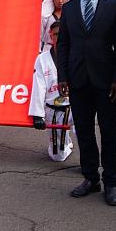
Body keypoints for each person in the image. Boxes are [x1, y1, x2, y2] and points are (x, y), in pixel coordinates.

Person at [57, 0, 116, 206]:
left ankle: (111, 182)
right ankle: (90, 178)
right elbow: (63, 44)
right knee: (84, 133)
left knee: (109, 133)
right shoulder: (70, 8)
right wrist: (62, 76)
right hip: (77, 81)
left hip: (107, 83)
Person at [30, 21, 74, 162]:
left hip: (75, 107)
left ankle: (89, 164)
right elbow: (39, 86)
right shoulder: (42, 59)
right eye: (55, 34)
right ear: (50, 35)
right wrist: (37, 115)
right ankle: (65, 141)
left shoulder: (76, 55)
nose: (59, 38)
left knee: (86, 138)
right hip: (53, 109)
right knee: (58, 157)